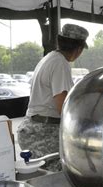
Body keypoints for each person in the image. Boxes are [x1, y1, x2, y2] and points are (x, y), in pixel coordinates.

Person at [17, 23, 88, 171]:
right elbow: (63, 106)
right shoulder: (60, 64)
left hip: (34, 128)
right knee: (57, 178)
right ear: (79, 49)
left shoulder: (50, 57)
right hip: (43, 132)